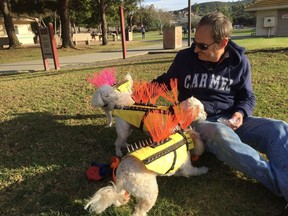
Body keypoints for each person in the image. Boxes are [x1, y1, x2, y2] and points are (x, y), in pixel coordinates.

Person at [153, 12, 288, 210]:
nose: (196, 49)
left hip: (230, 118)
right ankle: (281, 186)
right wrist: (134, 93)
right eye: (195, 43)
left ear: (222, 43)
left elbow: (247, 97)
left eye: (203, 46)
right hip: (198, 121)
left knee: (278, 128)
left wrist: (240, 114)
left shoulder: (240, 62)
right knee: (220, 134)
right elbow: (165, 82)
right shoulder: (184, 58)